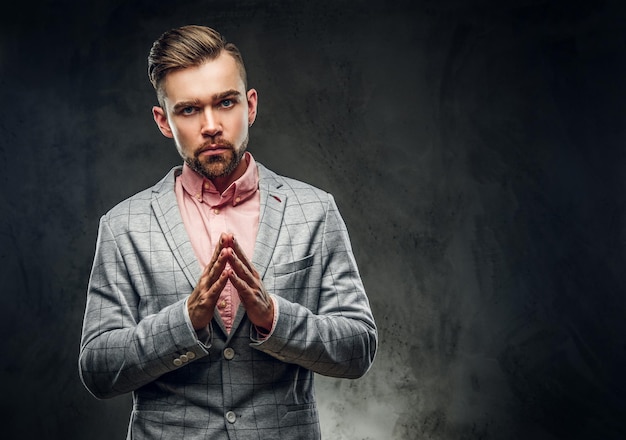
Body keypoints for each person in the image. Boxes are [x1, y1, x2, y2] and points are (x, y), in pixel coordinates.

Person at [78, 24, 377, 440]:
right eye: (189, 110)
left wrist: (273, 318)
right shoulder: (123, 225)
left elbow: (358, 348)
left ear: (250, 106)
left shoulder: (314, 210)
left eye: (226, 103)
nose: (212, 125)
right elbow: (97, 368)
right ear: (163, 121)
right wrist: (184, 322)